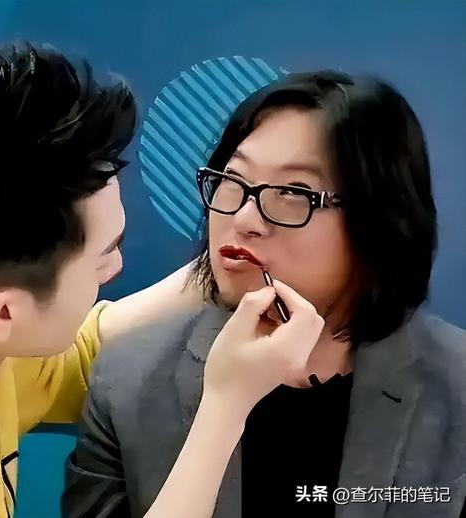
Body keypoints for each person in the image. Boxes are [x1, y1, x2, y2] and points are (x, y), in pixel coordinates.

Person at [0, 41, 326, 518]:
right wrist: (226, 407)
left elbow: (79, 353)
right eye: (103, 256)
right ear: (4, 314)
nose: (115, 269)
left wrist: (234, 252)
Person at [63, 71, 466, 518]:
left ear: (379, 222)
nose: (244, 218)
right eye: (233, 179)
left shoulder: (456, 384)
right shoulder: (126, 381)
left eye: (293, 192)